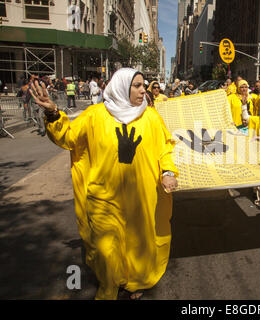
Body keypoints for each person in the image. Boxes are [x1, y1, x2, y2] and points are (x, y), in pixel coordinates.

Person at [29, 68, 179, 300]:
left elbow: (164, 150)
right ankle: (108, 289)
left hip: (141, 197)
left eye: (143, 85)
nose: (143, 90)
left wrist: (168, 172)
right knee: (106, 248)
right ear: (121, 86)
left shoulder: (151, 117)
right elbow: (67, 137)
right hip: (103, 197)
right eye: (137, 85)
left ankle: (133, 282)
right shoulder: (95, 115)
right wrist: (52, 113)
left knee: (137, 245)